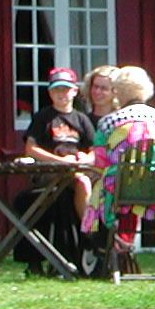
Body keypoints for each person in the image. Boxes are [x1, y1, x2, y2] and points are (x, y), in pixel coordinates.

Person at [85, 65, 155, 260]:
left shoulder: (109, 122)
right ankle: (124, 243)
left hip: (120, 190)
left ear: (118, 91)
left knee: (99, 186)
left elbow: (100, 162)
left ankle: (104, 247)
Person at [23, 66, 97, 223]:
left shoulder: (82, 119)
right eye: (57, 90)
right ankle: (90, 231)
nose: (61, 94)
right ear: (50, 93)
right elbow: (30, 149)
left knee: (104, 183)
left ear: (75, 91)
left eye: (66, 89)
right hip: (49, 170)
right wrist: (61, 161)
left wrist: (85, 159)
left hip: (77, 168)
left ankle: (109, 232)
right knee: (83, 181)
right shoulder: (43, 117)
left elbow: (95, 151)